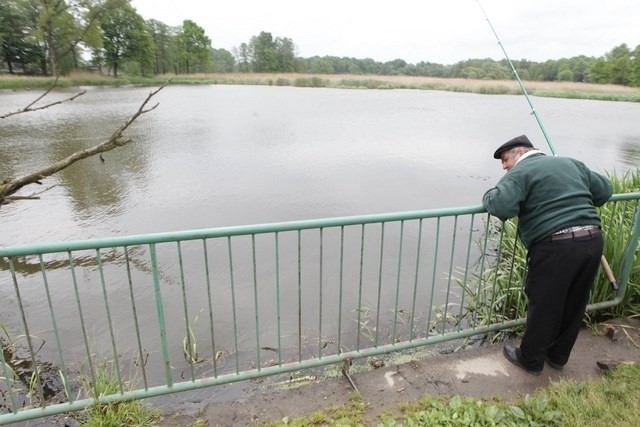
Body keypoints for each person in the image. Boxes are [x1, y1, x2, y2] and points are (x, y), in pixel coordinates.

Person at [482, 134, 613, 375]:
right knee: (575, 302)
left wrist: (489, 194)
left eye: (505, 159)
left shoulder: (520, 173)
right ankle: (558, 357)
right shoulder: (571, 163)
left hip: (556, 247)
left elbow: (501, 207)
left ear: (520, 153)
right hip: (592, 240)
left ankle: (530, 360)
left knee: (544, 304)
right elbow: (604, 191)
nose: (503, 166)